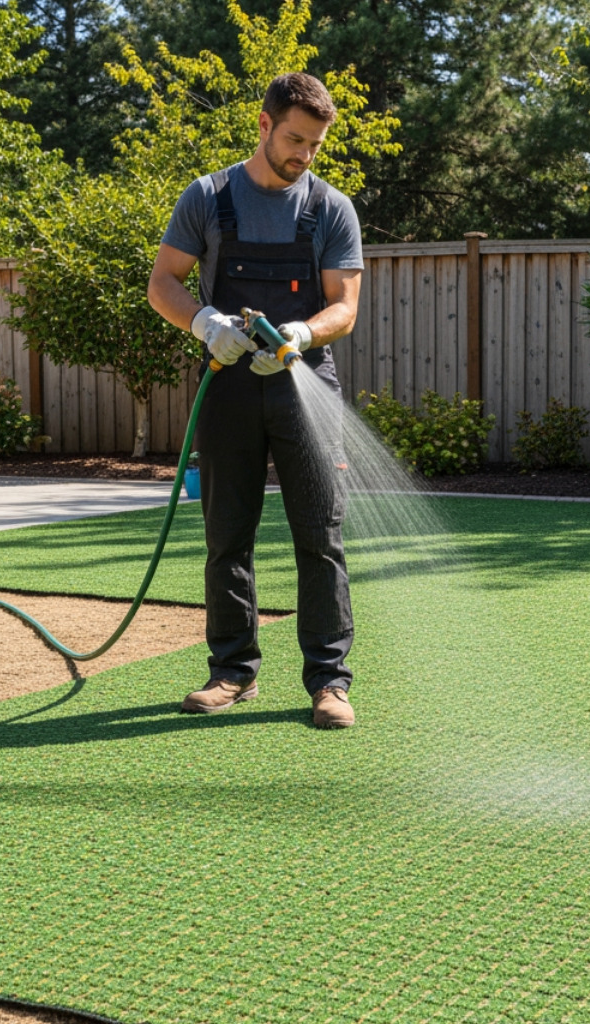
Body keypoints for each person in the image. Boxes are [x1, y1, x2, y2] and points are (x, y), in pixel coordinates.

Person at [146, 72, 361, 729]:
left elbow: (344, 308)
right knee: (227, 534)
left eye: (316, 144)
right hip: (230, 381)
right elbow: (164, 283)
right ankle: (232, 672)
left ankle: (329, 682)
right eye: (294, 139)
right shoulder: (208, 198)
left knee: (319, 537)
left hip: (304, 383)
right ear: (263, 125)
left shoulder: (329, 208)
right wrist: (205, 324)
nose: (304, 154)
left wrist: (300, 332)